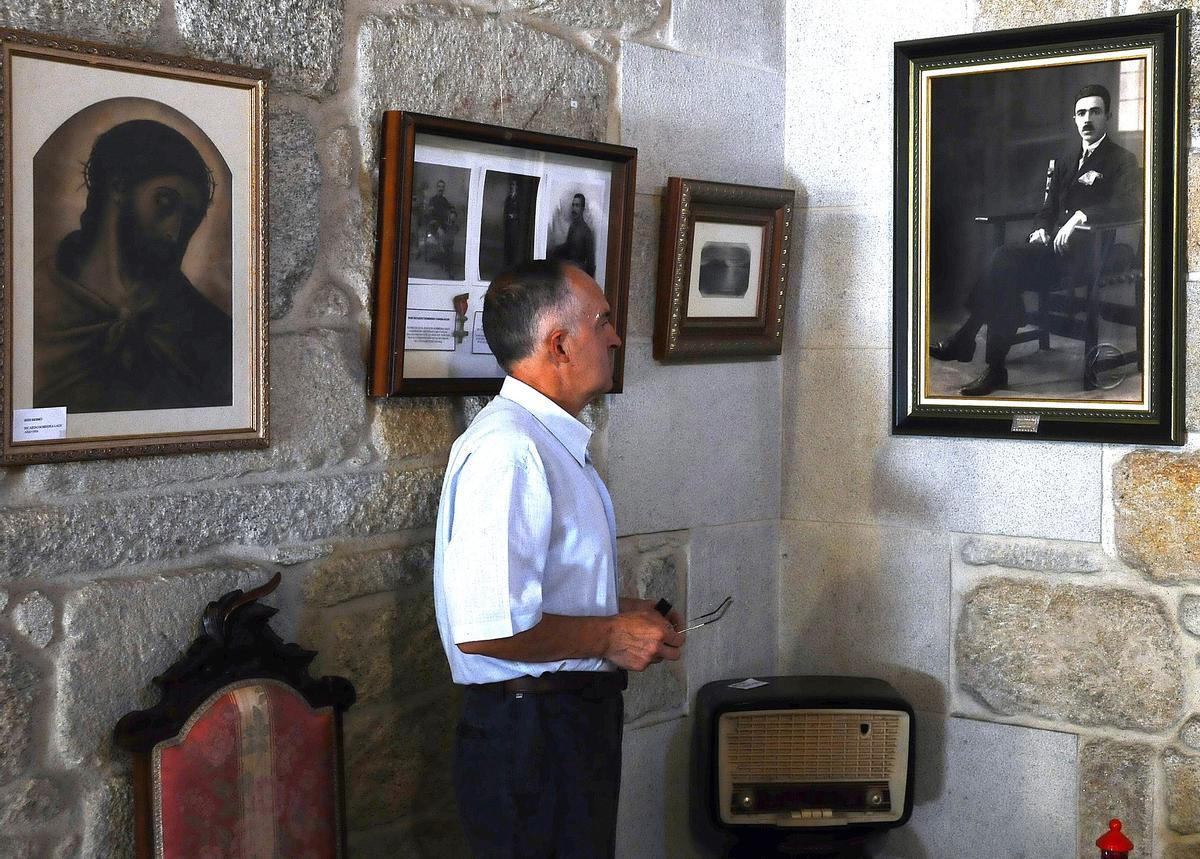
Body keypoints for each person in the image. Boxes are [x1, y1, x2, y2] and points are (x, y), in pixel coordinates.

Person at [433, 259, 685, 858]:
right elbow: (488, 630)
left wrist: (613, 611)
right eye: (603, 322)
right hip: (531, 741)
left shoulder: (546, 440)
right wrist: (607, 635)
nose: (617, 337)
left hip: (557, 730)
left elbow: (525, 594)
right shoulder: (511, 451)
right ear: (560, 344)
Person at [930, 83, 1141, 396]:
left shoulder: (1122, 160)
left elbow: (1130, 203)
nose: (1087, 119)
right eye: (1081, 113)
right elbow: (1046, 210)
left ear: (1107, 116)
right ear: (1074, 119)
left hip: (1092, 256)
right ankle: (994, 367)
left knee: (1003, 267)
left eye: (1095, 111)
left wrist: (1081, 216)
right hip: (1054, 254)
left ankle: (968, 339)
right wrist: (1040, 229)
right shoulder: (1066, 161)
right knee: (1004, 265)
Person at [33, 119, 232, 413]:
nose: (174, 232)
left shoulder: (209, 332)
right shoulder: (33, 303)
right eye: (165, 201)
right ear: (119, 186)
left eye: (190, 218)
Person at [550, 192, 596, 278]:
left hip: (579, 272)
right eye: (573, 205)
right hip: (569, 268)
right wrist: (555, 250)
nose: (574, 208)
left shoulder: (586, 232)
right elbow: (568, 245)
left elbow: (591, 262)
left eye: (577, 205)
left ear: (582, 208)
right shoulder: (573, 226)